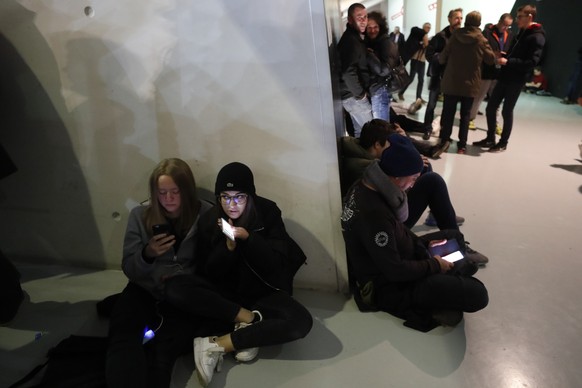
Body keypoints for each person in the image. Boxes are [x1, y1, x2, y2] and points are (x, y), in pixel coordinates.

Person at [341, 134, 489, 332]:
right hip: (388, 285)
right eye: (413, 179)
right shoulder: (374, 215)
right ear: (396, 177)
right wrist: (434, 264)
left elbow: (398, 230)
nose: (413, 185)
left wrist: (424, 246)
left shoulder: (369, 184)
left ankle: (453, 273)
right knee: (478, 294)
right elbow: (395, 271)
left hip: (402, 252)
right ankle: (452, 274)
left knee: (455, 236)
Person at [190, 162, 313, 387]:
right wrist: (227, 248)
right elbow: (209, 272)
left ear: (250, 196)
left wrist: (249, 239)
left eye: (239, 197)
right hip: (230, 295)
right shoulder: (210, 220)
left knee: (301, 321)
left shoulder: (267, 212)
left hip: (263, 289)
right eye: (225, 197)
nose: (232, 205)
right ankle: (249, 326)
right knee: (183, 290)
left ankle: (218, 344)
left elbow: (276, 265)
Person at [106, 158, 216, 388]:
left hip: (183, 295)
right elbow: (129, 268)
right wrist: (147, 254)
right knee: (124, 337)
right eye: (162, 192)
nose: (168, 199)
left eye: (174, 192)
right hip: (144, 288)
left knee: (166, 349)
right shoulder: (140, 215)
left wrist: (185, 279)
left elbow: (212, 266)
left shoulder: (206, 214)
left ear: (186, 191)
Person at [338, 120, 490, 255]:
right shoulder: (367, 168)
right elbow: (396, 199)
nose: (393, 149)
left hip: (386, 214)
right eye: (390, 145)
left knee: (426, 173)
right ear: (377, 144)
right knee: (432, 180)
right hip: (385, 226)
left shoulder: (362, 153)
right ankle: (453, 236)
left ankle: (440, 214)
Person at [474, 4, 546, 153]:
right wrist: (506, 56)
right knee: (491, 107)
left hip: (516, 79)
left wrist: (509, 61)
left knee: (507, 111)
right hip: (505, 76)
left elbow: (532, 62)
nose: (517, 20)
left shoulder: (537, 37)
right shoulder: (522, 32)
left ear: (530, 17)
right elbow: (517, 54)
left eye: (520, 17)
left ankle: (503, 142)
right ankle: (490, 138)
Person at [438, 11, 495, 154]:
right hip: (470, 84)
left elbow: (442, 57)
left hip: (451, 81)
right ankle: (462, 146)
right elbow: (490, 59)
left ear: (466, 21)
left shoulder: (455, 35)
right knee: (465, 116)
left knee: (448, 113)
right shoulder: (481, 39)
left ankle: (444, 141)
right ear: (479, 23)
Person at [422, 8, 464, 143]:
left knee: (448, 108)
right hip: (438, 76)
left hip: (452, 78)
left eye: (461, 18)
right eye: (456, 18)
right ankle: (427, 129)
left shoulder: (462, 37)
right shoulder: (439, 36)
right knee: (432, 105)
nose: (459, 21)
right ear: (450, 19)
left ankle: (444, 134)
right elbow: (429, 54)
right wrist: (441, 58)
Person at [468, 13, 514, 131]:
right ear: (499, 21)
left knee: (497, 100)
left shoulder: (509, 35)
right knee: (478, 97)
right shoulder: (487, 33)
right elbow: (480, 49)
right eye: (504, 25)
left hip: (500, 73)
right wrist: (493, 56)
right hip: (487, 70)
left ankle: (495, 123)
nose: (506, 28)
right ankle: (471, 119)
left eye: (508, 26)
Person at [338, 3, 373, 138]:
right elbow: (347, 72)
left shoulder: (355, 39)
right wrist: (361, 95)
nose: (364, 20)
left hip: (351, 96)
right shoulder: (351, 41)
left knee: (361, 134)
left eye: (365, 17)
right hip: (353, 97)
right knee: (370, 134)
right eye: (359, 17)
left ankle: (362, 158)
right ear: (350, 20)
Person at [366, 11, 399, 121]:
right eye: (369, 27)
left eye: (375, 27)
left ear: (381, 27)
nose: (372, 30)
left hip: (380, 89)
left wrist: (369, 54)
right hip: (377, 88)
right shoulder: (374, 42)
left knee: (381, 126)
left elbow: (384, 70)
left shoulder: (385, 42)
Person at [399, 23, 431, 103]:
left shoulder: (427, 39)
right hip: (415, 60)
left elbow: (427, 48)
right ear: (423, 27)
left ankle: (418, 98)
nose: (428, 29)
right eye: (427, 27)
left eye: (429, 28)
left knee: (421, 80)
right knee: (411, 79)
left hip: (422, 61)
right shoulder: (417, 35)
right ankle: (401, 92)